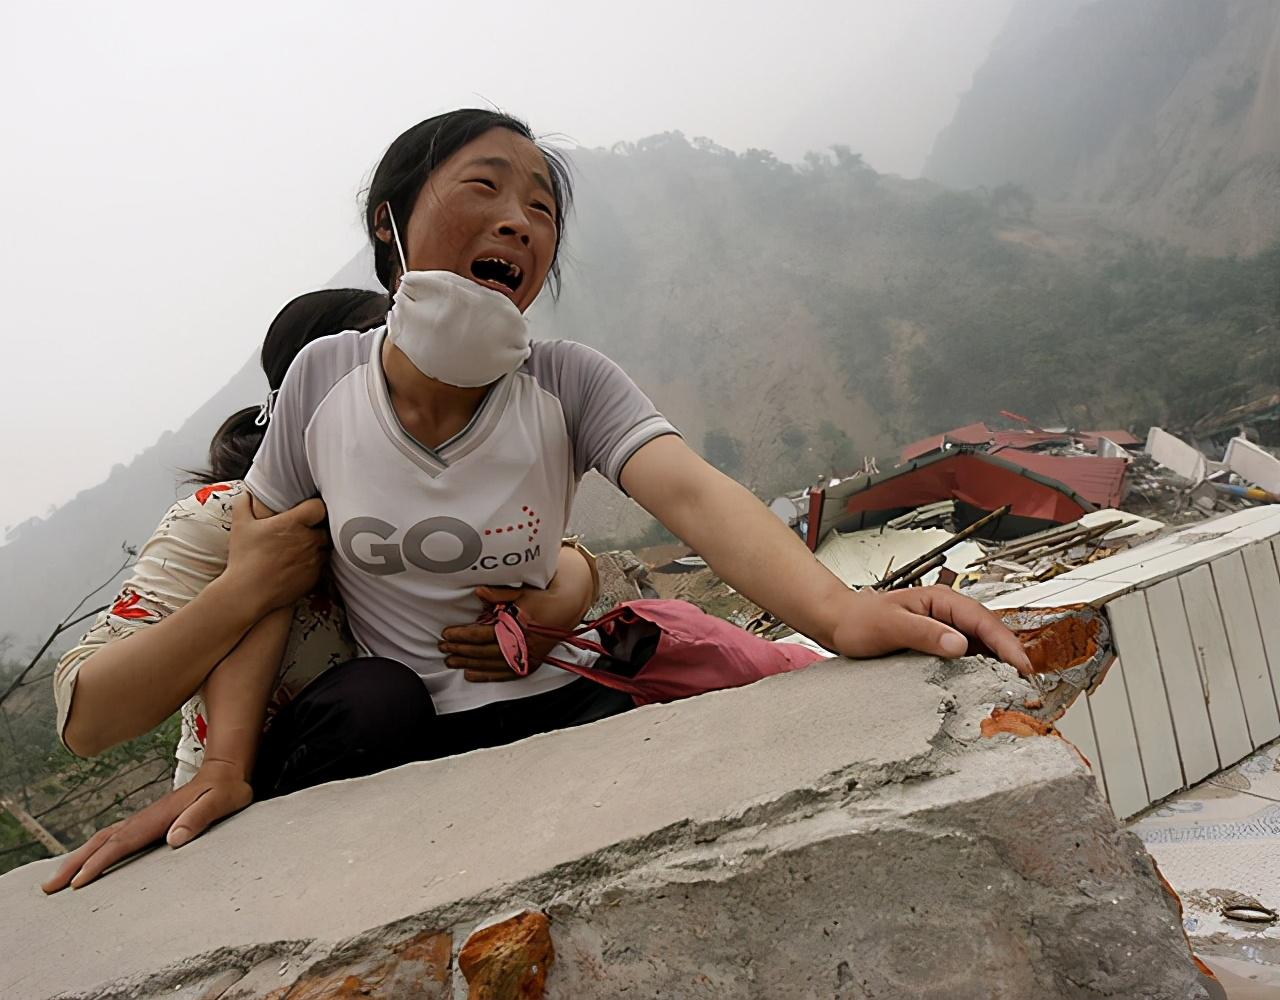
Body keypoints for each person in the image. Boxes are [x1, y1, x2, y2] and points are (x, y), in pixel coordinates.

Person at [45, 108, 1030, 893]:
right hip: (408, 738)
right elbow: (266, 580)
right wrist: (223, 773)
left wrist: (842, 611)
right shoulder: (321, 378)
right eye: (483, 185)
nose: (519, 216)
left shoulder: (568, 380)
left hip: (559, 702)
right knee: (380, 703)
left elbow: (688, 490)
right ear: (388, 222)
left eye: (543, 208)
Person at [43, 285, 598, 891]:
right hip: (263, 800)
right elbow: (87, 718)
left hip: (430, 781)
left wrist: (573, 584)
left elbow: (554, 558)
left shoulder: (432, 508)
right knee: (378, 697)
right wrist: (244, 589)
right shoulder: (224, 522)